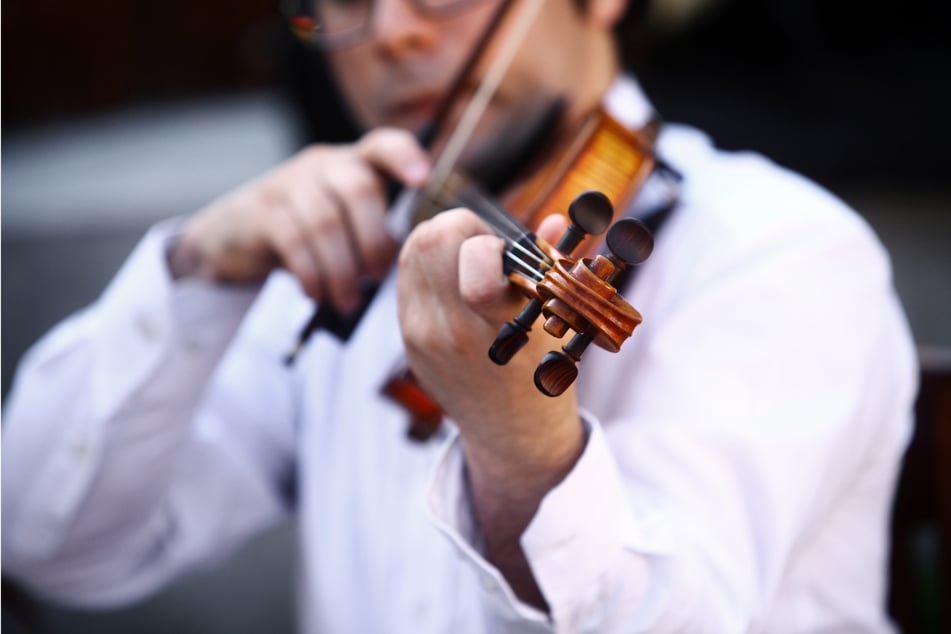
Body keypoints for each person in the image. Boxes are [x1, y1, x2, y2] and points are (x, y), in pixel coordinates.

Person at [2, 0, 918, 631]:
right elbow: (53, 544)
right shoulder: (351, 254)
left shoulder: (777, 249)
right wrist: (192, 273)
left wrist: (522, 452)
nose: (388, 35)